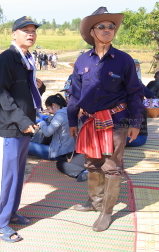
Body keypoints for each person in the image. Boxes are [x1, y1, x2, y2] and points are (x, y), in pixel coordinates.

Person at [67, 7, 144, 232]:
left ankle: (107, 212)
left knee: (112, 167)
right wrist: (72, 120)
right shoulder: (82, 61)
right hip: (90, 121)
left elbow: (135, 92)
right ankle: (95, 201)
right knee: (92, 164)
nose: (108, 29)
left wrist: (135, 122)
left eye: (111, 26)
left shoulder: (124, 60)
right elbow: (74, 93)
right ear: (92, 31)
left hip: (117, 120)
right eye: (102, 26)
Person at [0, 16, 42, 242]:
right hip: (8, 127)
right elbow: (2, 96)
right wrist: (21, 120)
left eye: (33, 31)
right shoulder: (7, 59)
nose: (30, 34)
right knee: (4, 177)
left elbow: (22, 90)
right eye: (25, 30)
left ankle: (10, 212)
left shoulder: (26, 59)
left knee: (17, 175)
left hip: (23, 126)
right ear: (14, 34)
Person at [28, 93, 74, 160]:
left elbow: (47, 133)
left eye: (48, 109)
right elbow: (54, 120)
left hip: (58, 153)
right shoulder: (69, 111)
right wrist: (44, 119)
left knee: (25, 145)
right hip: (70, 150)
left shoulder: (59, 115)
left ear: (53, 105)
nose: (49, 112)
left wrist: (42, 123)